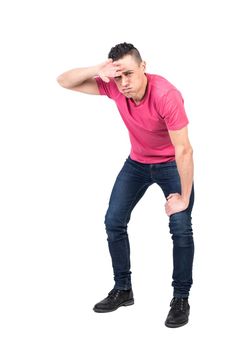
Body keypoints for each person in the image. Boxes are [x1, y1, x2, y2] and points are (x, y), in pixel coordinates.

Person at [57, 42, 195, 328]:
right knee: (113, 221)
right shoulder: (115, 88)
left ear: (144, 67)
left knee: (181, 226)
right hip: (137, 162)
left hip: (171, 163)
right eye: (118, 77)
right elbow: (64, 81)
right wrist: (99, 69)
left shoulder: (166, 95)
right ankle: (123, 290)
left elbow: (184, 150)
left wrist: (183, 197)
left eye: (129, 74)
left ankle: (180, 298)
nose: (124, 83)